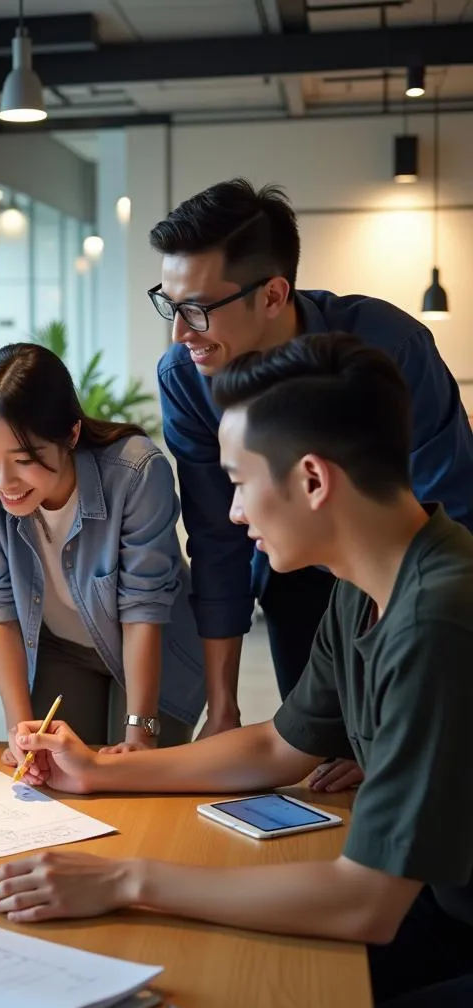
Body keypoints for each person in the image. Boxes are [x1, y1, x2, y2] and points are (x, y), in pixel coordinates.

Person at [0, 334, 473, 1008]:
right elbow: (279, 747)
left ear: (311, 479)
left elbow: (366, 901)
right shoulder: (371, 579)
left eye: (240, 482)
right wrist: (98, 771)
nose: (235, 514)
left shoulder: (436, 618)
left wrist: (127, 877)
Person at [150, 179, 473, 767]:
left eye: (197, 309)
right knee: (314, 751)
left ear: (273, 295)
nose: (180, 333)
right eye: (170, 307)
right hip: (292, 566)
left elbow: (452, 510)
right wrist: (221, 708)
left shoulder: (389, 350)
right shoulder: (185, 377)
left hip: (402, 569)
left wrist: (383, 722)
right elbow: (218, 540)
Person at [0, 343, 205, 776]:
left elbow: (143, 608)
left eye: (24, 460)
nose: (3, 480)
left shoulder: (136, 471)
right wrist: (20, 734)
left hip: (153, 647)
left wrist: (140, 737)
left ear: (70, 435)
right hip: (62, 649)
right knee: (60, 775)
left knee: (135, 782)